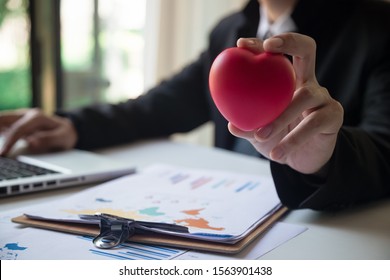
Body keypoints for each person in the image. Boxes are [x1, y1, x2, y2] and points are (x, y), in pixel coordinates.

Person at [1, 0, 389, 211]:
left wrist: (325, 158)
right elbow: (160, 106)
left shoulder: (377, 28)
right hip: (228, 222)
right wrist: (72, 125)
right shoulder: (232, 30)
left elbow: (385, 148)